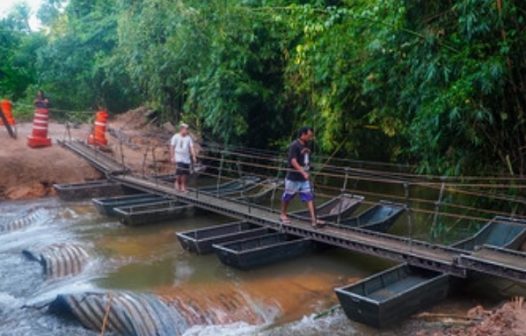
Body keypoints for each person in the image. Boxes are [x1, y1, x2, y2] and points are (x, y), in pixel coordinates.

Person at [280, 126, 323, 228]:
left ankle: (314, 220)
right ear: (303, 134)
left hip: (304, 178)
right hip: (293, 177)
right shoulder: (294, 146)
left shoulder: (307, 145)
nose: (311, 138)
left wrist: (308, 169)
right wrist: (303, 172)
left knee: (309, 197)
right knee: (288, 196)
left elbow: (306, 158)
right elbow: (293, 161)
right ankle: (282, 214)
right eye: (309, 135)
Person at [170, 123, 197, 192]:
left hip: (186, 157)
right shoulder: (176, 136)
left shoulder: (188, 138)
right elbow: (172, 147)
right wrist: (172, 157)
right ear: (181, 129)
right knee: (179, 171)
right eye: (186, 129)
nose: (187, 131)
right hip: (178, 156)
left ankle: (183, 186)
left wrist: (194, 156)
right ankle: (177, 182)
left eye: (187, 129)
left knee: (185, 172)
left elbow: (191, 147)